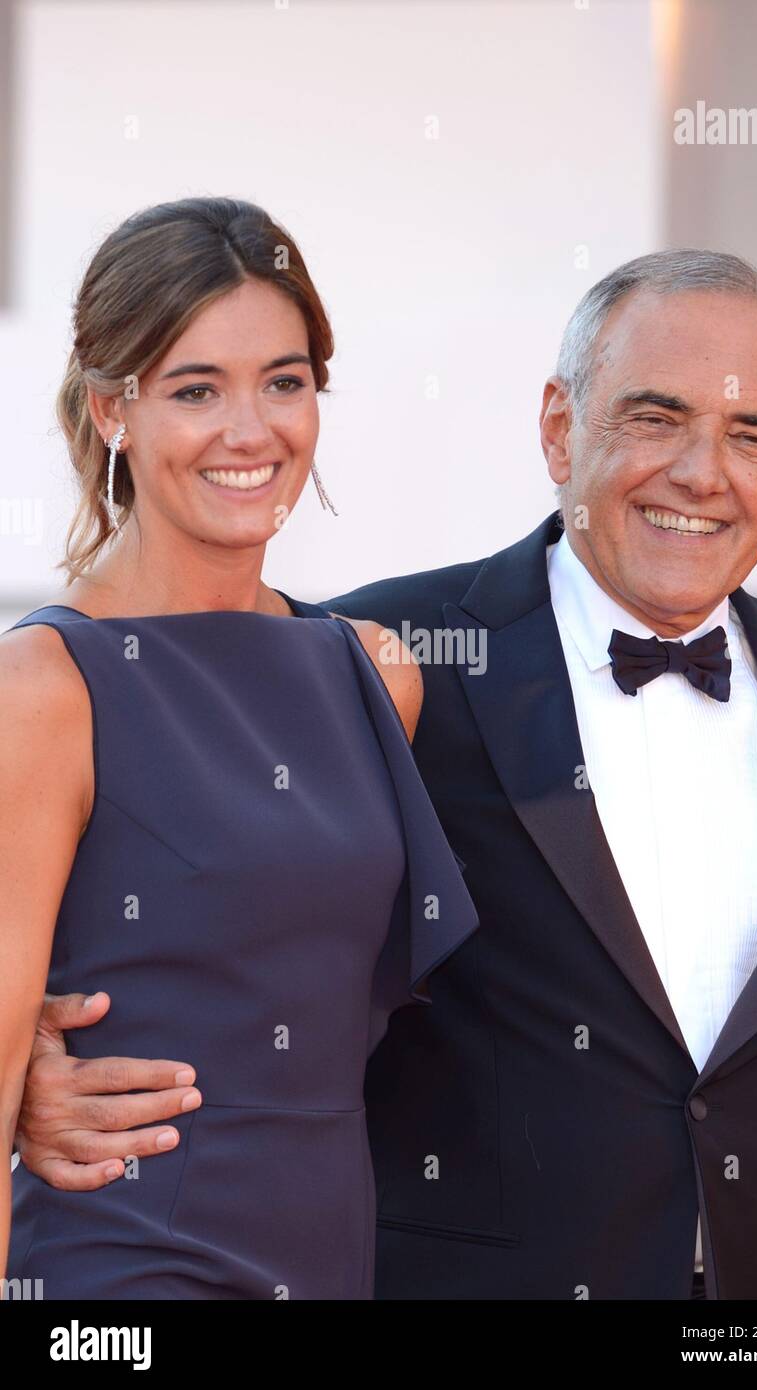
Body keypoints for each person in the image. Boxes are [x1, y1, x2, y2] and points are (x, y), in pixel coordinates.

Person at [16, 250, 757, 1300]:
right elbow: (227, 931)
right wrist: (28, 1083)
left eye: (752, 435)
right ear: (557, 425)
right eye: (654, 418)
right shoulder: (389, 660)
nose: (702, 472)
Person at [0, 195, 478, 1299]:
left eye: (285, 379)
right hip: (120, 1263)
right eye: (195, 389)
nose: (251, 430)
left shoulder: (371, 670)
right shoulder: (45, 687)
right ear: (113, 408)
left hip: (327, 1253)